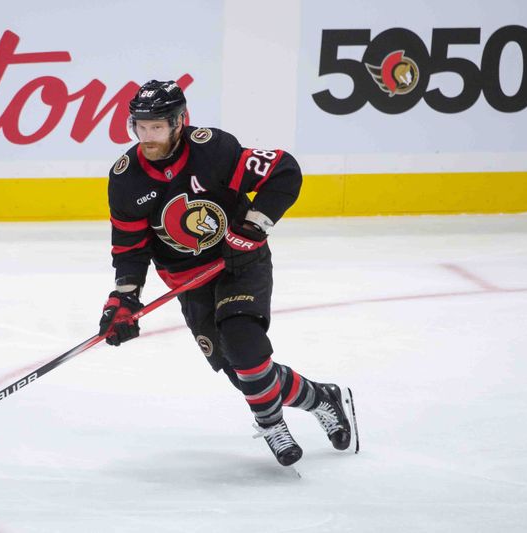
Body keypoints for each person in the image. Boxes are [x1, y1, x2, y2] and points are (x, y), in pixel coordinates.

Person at [98, 80, 357, 467]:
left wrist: (252, 227)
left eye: (156, 126)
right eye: (140, 126)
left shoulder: (213, 150)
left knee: (242, 341)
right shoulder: (126, 177)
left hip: (240, 263)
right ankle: (322, 397)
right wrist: (123, 298)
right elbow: (130, 248)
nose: (147, 136)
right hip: (188, 282)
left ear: (179, 122)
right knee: (247, 376)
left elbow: (284, 171)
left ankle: (270, 424)